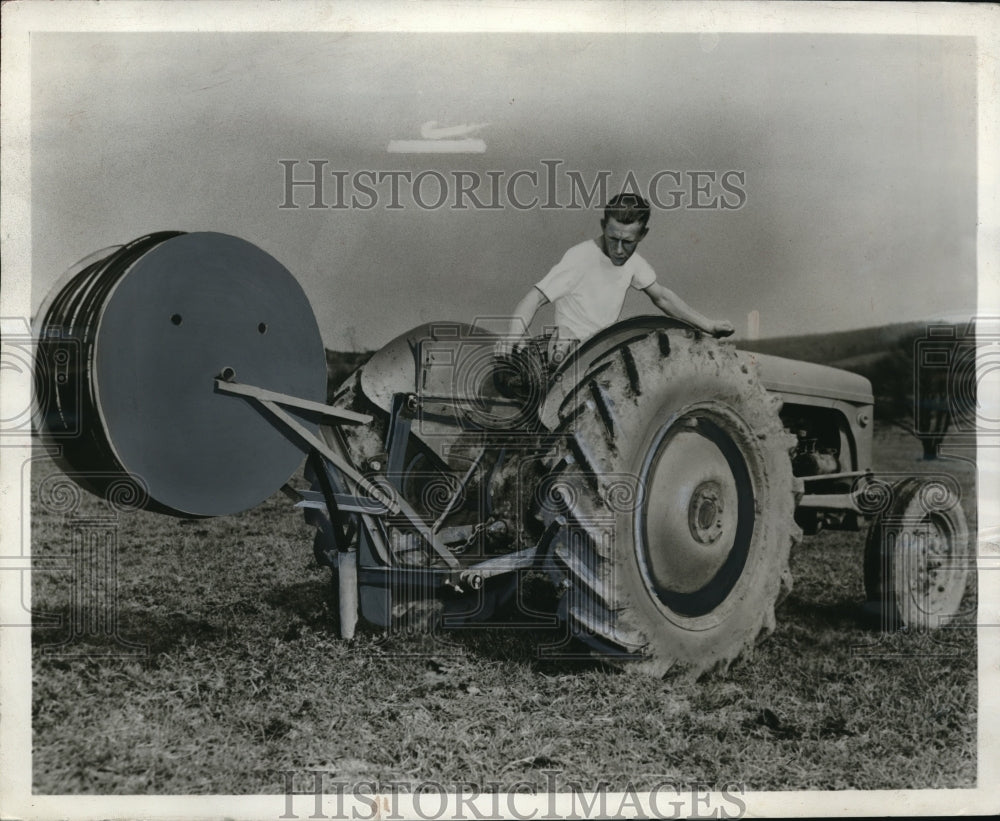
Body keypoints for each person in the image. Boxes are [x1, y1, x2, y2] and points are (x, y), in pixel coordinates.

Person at [497, 192, 734, 364]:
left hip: (603, 350)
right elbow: (535, 297)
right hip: (568, 354)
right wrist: (512, 338)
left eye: (628, 242)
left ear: (643, 235)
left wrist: (709, 325)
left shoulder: (634, 264)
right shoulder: (580, 257)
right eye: (613, 239)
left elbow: (662, 298)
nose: (619, 250)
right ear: (603, 226)